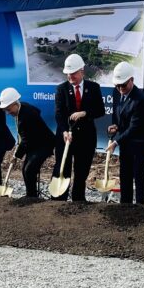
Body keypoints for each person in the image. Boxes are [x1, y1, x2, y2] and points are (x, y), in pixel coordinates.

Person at [53, 53, 106, 202]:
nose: (70, 77)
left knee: (81, 170)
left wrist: (85, 113)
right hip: (66, 137)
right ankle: (59, 201)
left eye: (73, 74)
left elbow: (100, 110)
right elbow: (59, 113)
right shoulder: (61, 89)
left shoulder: (93, 87)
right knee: (63, 168)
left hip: (86, 137)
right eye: (68, 74)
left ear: (82, 71)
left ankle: (78, 201)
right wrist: (64, 130)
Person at [106, 62, 144, 205]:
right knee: (125, 173)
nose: (120, 88)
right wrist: (115, 127)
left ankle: (140, 205)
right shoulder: (117, 93)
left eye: (123, 85)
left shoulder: (140, 100)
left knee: (138, 173)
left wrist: (116, 141)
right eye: (118, 85)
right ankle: (125, 204)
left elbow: (134, 127)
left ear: (132, 80)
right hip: (127, 141)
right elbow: (119, 116)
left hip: (142, 142)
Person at [0, 87, 54, 198]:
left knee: (29, 169)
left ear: (15, 103)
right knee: (25, 169)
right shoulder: (22, 107)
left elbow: (25, 141)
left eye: (9, 109)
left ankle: (32, 197)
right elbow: (38, 110)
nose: (8, 113)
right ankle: (30, 194)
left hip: (44, 144)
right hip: (33, 144)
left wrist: (16, 156)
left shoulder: (26, 116)